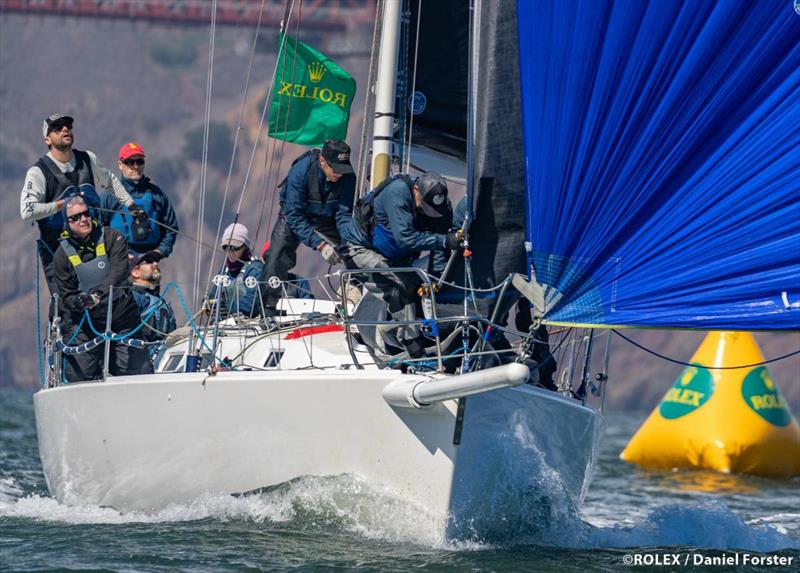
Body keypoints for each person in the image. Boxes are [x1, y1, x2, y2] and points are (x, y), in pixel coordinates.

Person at [341, 171, 460, 358]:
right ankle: (410, 345)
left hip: (395, 256)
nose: (427, 212)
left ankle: (424, 335)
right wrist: (445, 240)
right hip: (359, 248)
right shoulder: (398, 193)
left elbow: (439, 250)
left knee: (416, 286)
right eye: (424, 206)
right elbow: (406, 239)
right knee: (399, 287)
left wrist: (435, 283)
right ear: (415, 190)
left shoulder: (443, 208)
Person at [20, 114, 143, 294]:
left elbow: (110, 181)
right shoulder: (38, 172)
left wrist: (131, 206)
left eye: (68, 126)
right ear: (47, 139)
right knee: (66, 304)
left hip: (97, 241)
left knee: (113, 293)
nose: (65, 129)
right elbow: (27, 210)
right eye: (58, 128)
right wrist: (62, 205)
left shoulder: (88, 159)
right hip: (59, 249)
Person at [53, 196, 153, 382]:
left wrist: (98, 295)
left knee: (138, 373)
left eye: (85, 214)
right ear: (67, 223)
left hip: (123, 317)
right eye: (76, 217)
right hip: (85, 323)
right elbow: (66, 295)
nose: (83, 219)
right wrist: (79, 301)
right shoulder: (61, 255)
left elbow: (119, 272)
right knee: (79, 376)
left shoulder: (112, 237)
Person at [260, 139, 356, 309]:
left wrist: (347, 241)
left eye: (343, 169)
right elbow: (294, 215)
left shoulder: (348, 178)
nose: (339, 174)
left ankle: (355, 298)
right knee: (277, 256)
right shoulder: (301, 170)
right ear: (322, 161)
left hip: (327, 217)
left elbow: (344, 214)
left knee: (355, 248)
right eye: (335, 169)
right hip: (294, 216)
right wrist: (320, 245)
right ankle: (268, 307)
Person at [101, 142, 179, 259]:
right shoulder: (109, 195)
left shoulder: (158, 195)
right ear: (120, 165)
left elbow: (171, 228)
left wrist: (160, 251)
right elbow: (97, 227)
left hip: (150, 259)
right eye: (130, 162)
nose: (136, 166)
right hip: (119, 258)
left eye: (140, 161)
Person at [209, 223, 264, 318]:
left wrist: (226, 306)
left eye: (235, 247)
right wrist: (208, 304)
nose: (230, 252)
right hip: (223, 326)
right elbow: (213, 297)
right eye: (226, 247)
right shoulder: (224, 270)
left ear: (245, 247)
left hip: (249, 327)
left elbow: (250, 305)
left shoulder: (255, 269)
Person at [129, 251, 176, 361]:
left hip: (162, 358)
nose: (156, 264)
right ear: (135, 272)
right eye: (149, 262)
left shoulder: (160, 301)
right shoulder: (133, 297)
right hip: (139, 363)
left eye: (156, 261)